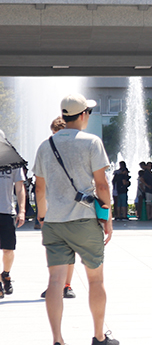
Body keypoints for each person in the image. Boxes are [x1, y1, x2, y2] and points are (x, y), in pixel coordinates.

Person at [33, 93, 118, 345]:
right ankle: (99, 338)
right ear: (82, 115)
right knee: (96, 279)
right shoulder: (92, 142)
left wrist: (43, 217)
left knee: (56, 282)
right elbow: (102, 185)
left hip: (55, 223)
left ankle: (57, 343)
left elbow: (39, 187)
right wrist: (107, 219)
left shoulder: (45, 146)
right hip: (84, 220)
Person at [39, 117, 76, 300]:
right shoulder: (77, 148)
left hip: (53, 209)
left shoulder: (47, 148)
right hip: (74, 209)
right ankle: (66, 286)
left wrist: (41, 213)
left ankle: (55, 285)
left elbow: (40, 186)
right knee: (69, 249)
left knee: (53, 249)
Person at [0, 129, 26, 298]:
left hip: (7, 211)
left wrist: (22, 210)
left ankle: (5, 274)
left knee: (8, 250)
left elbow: (20, 187)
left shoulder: (13, 161)